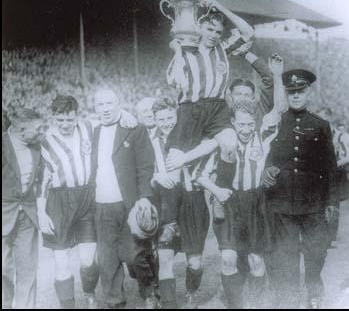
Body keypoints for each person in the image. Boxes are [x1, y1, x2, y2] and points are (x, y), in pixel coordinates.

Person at [194, 54, 285, 309]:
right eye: (241, 124)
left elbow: (279, 109)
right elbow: (199, 175)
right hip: (230, 202)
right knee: (228, 259)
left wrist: (277, 76)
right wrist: (216, 190)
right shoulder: (224, 139)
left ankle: (254, 302)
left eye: (249, 123)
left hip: (256, 203)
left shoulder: (262, 134)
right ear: (233, 122)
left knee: (256, 262)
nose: (246, 128)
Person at [262, 69, 338, 309]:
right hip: (282, 200)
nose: (295, 96)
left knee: (316, 252)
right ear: (286, 94)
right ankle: (293, 299)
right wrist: (265, 169)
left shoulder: (321, 125)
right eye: (291, 92)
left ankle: (313, 288)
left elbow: (330, 166)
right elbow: (263, 153)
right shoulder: (275, 123)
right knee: (286, 254)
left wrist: (331, 202)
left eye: (300, 91)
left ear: (308, 93)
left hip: (313, 201)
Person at [165, 0, 254, 191]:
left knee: (230, 144)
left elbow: (248, 32)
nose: (214, 35)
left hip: (217, 107)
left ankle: (222, 191)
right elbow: (174, 81)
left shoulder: (222, 48)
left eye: (218, 32)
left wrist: (220, 6)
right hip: (190, 110)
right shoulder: (185, 50)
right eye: (210, 29)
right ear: (199, 28)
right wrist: (178, 51)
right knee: (173, 171)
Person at [90, 86, 157, 309]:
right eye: (100, 104)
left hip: (130, 205)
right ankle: (115, 303)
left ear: (118, 103)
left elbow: (146, 166)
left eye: (109, 103)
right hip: (102, 205)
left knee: (135, 255)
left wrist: (145, 196)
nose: (105, 108)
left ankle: (149, 292)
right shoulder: (93, 131)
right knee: (107, 261)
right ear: (95, 107)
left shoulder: (134, 129)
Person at [148, 96, 215, 309]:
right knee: (165, 257)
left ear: (177, 115)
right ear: (155, 120)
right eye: (161, 119)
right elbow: (143, 172)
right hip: (166, 202)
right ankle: (168, 304)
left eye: (170, 117)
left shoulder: (193, 136)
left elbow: (214, 143)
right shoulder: (150, 139)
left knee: (194, 261)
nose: (166, 123)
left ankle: (191, 292)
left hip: (193, 200)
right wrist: (157, 176)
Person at [37, 95, 99, 308]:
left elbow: (112, 119)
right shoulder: (44, 141)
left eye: (69, 119)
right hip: (58, 203)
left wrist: (127, 115)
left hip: (85, 200)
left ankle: (90, 294)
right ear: (53, 117)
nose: (65, 124)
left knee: (88, 259)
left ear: (76, 116)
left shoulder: (88, 128)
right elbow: (41, 181)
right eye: (60, 120)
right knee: (61, 261)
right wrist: (41, 214)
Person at [2, 107, 44, 309]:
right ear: (21, 130)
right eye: (37, 128)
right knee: (2, 268)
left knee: (28, 269)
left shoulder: (38, 145)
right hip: (3, 214)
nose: (41, 131)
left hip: (27, 215)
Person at [317, 110, 349, 248]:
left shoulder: (340, 137)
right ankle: (319, 236)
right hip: (318, 174)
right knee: (318, 204)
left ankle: (329, 238)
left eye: (324, 118)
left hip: (336, 174)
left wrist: (333, 164)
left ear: (329, 119)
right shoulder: (314, 134)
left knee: (333, 203)